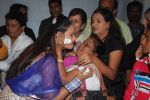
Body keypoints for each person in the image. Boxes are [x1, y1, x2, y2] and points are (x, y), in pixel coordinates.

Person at [0, 18, 93, 100]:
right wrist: (77, 80)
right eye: (71, 35)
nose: (74, 39)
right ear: (58, 36)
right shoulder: (48, 59)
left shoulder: (45, 50)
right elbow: (53, 98)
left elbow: (61, 76)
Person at [78, 8, 126, 100]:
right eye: (92, 22)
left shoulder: (116, 43)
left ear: (108, 24)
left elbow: (112, 75)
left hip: (112, 91)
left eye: (98, 21)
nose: (94, 24)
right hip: (96, 87)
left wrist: (93, 59)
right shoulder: (93, 40)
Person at [64, 34, 106, 99]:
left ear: (94, 54)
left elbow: (60, 79)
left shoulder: (87, 70)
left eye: (86, 45)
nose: (81, 44)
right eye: (83, 42)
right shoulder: (74, 62)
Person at [0, 11, 33, 89]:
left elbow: (15, 67)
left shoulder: (28, 42)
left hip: (21, 84)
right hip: (4, 83)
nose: (9, 28)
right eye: (7, 25)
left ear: (22, 28)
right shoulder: (4, 39)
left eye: (13, 25)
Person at [123, 8, 150, 87]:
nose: (144, 22)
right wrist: (128, 71)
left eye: (147, 20)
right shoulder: (142, 36)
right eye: (145, 19)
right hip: (137, 80)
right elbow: (128, 52)